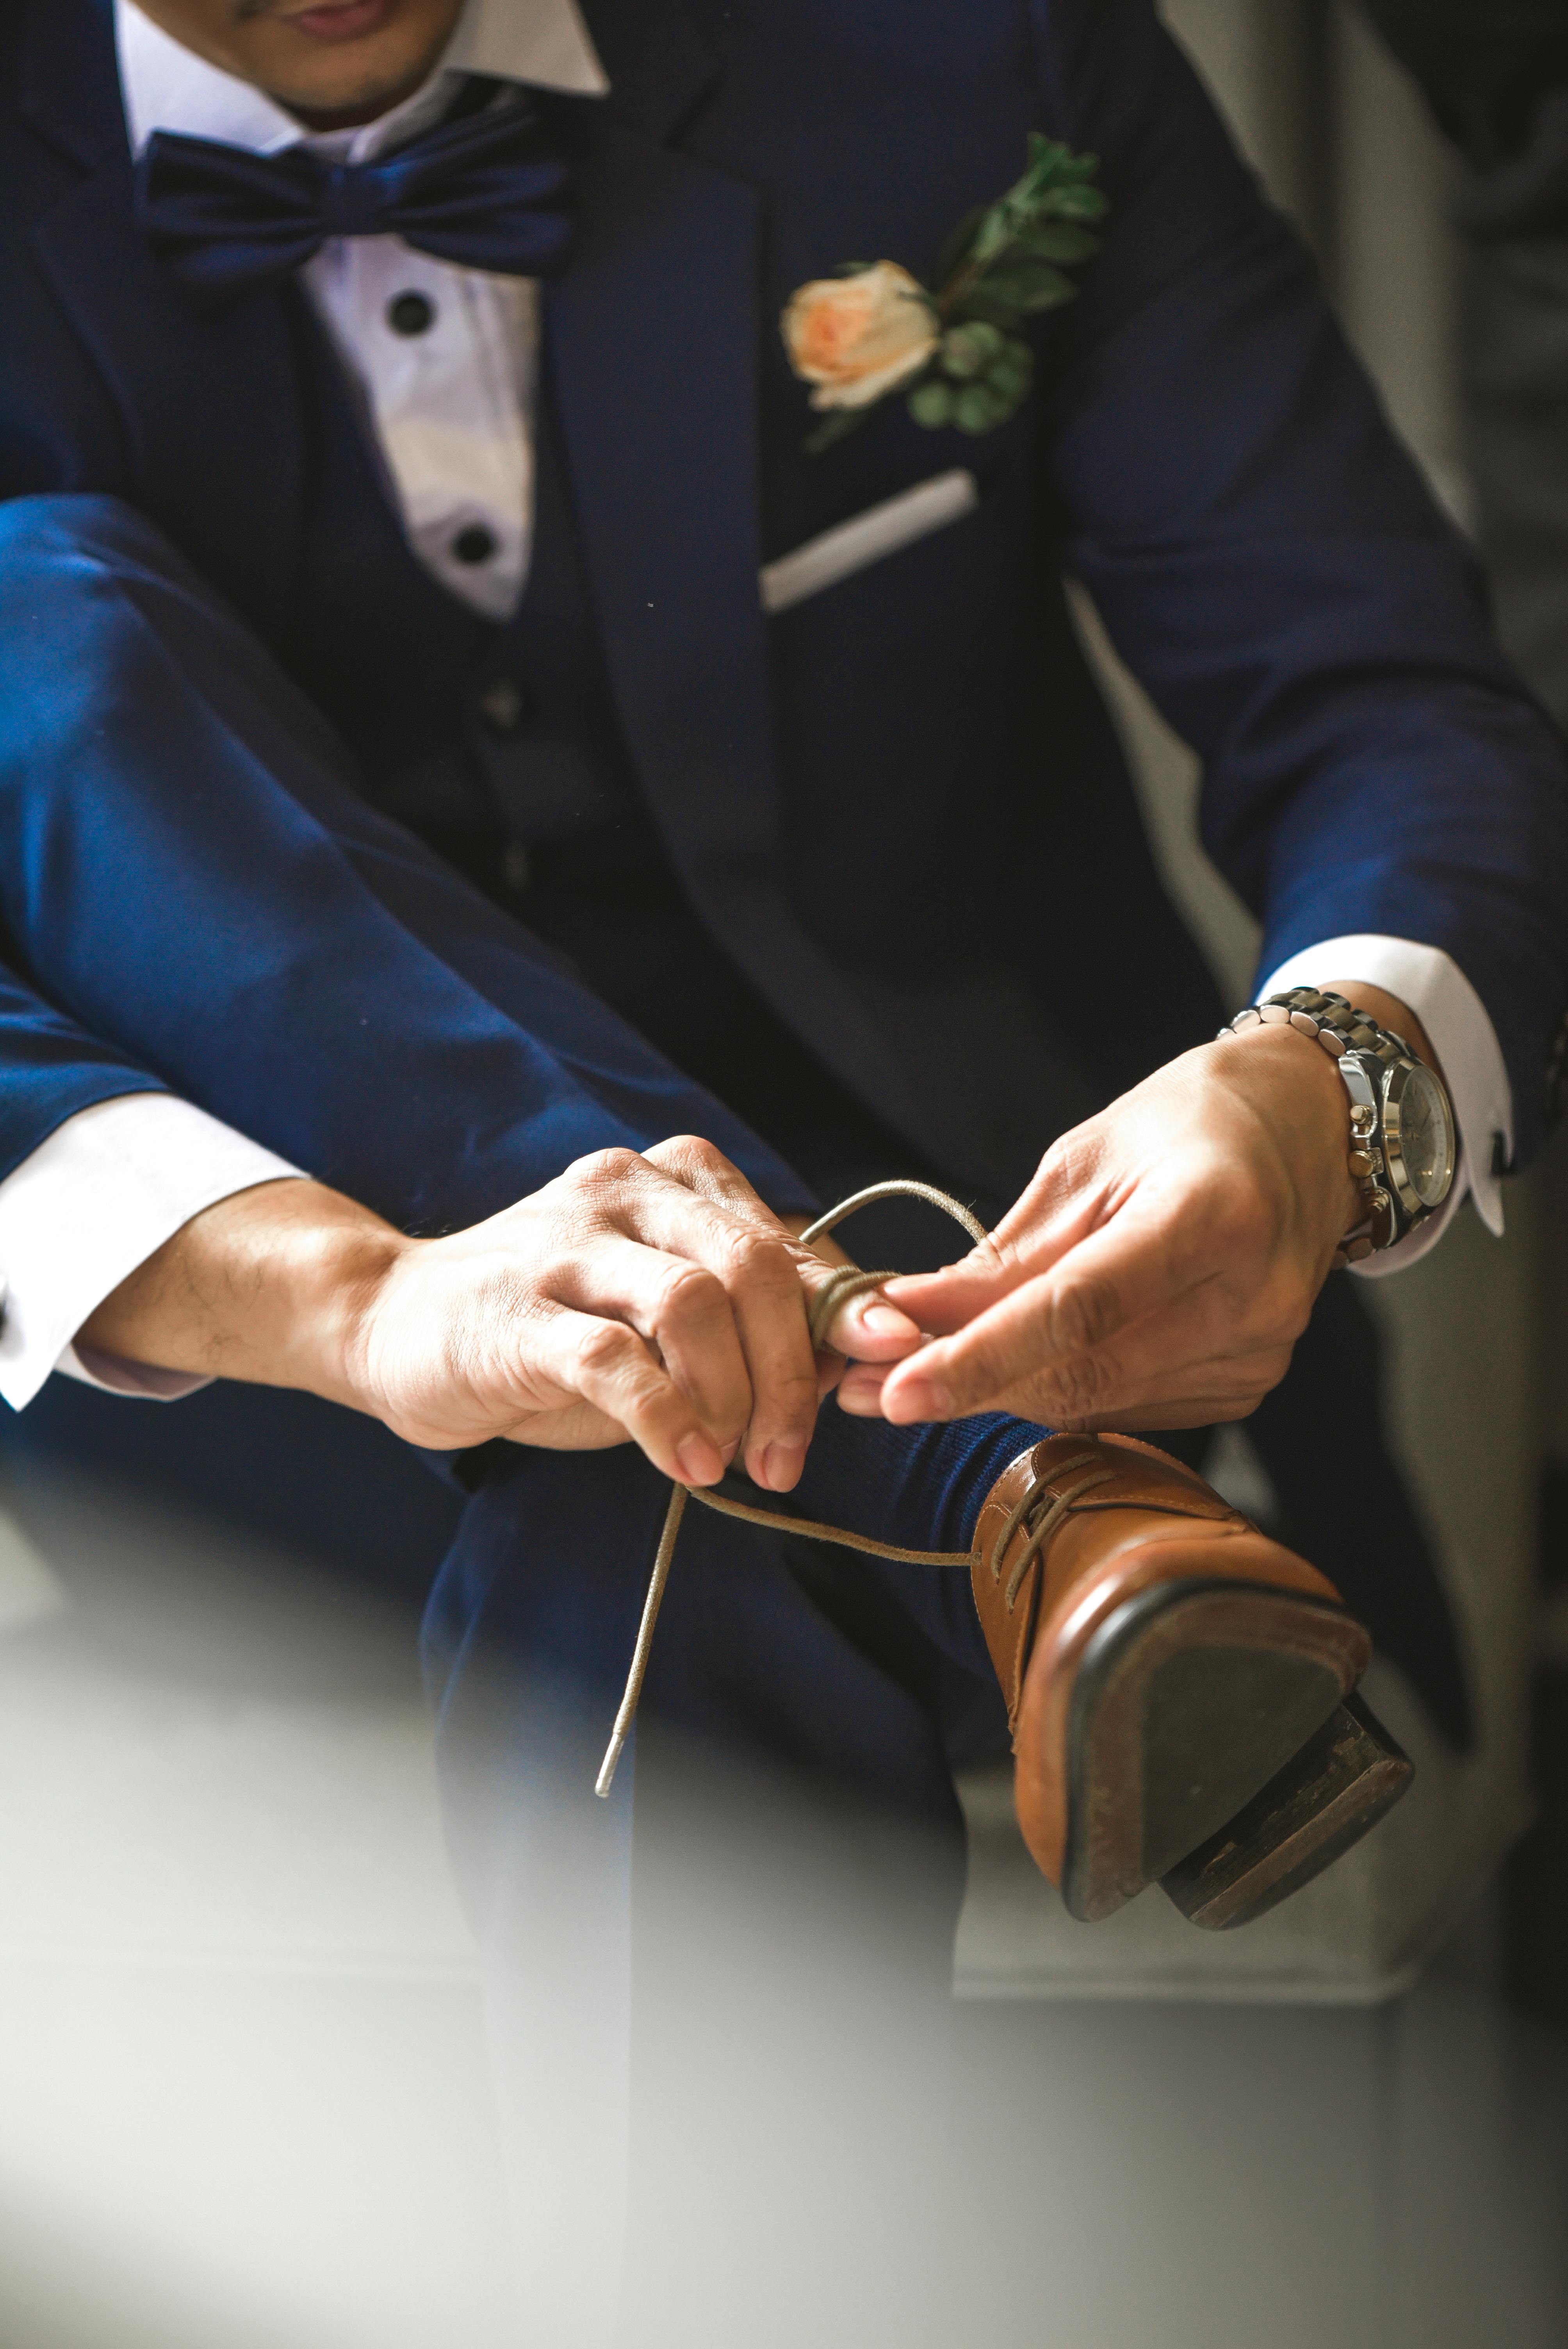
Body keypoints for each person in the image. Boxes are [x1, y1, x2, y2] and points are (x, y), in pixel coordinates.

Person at [1, 0, 1565, 2331]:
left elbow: (1384, 697)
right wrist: (361, 1302)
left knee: (643, 1479)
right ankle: (1017, 1505)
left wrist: (1326, 1082)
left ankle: (932, 1456)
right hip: (258, 1357)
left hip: (999, 1278)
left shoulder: (968, 57)